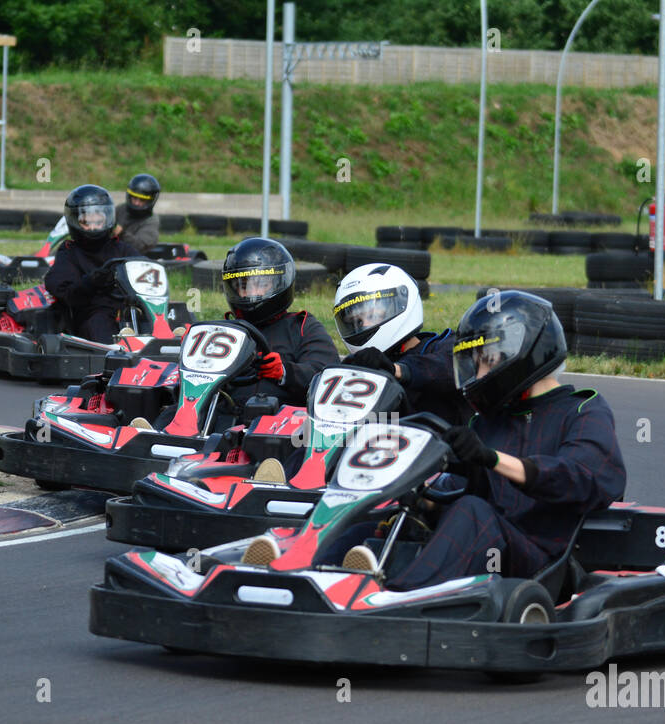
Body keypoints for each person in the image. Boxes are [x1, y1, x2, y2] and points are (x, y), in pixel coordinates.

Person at [372, 290, 627, 587]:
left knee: (474, 513)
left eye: (486, 360)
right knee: (391, 511)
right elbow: (454, 491)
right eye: (474, 362)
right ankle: (330, 579)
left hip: (541, 564)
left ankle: (397, 598)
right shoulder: (487, 422)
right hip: (485, 550)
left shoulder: (582, 409)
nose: (478, 372)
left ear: (522, 351)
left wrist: (492, 460)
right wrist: (415, 497)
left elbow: (586, 477)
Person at [334, 262, 470, 426]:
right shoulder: (361, 364)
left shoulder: (444, 346)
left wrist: (396, 369)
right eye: (355, 321)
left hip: (436, 445)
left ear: (400, 303)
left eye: (371, 314)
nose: (363, 325)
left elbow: (454, 369)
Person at [220, 237, 339, 410]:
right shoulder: (226, 331)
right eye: (244, 286)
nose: (252, 293)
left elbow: (328, 377)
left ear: (279, 282)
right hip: (223, 417)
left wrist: (285, 372)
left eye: (261, 284)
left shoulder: (303, 326)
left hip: (280, 421)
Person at [43, 184, 134, 343]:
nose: (93, 227)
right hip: (92, 315)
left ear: (108, 219)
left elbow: (147, 271)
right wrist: (91, 282)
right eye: (87, 222)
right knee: (100, 321)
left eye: (98, 221)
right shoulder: (70, 252)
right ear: (75, 222)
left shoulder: (121, 249)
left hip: (128, 313)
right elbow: (62, 290)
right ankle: (118, 357)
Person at [115, 173, 161, 254]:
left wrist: (121, 233)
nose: (136, 203)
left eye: (142, 200)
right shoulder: (121, 209)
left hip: (137, 260)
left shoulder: (151, 221)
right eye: (134, 198)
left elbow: (140, 246)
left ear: (150, 200)